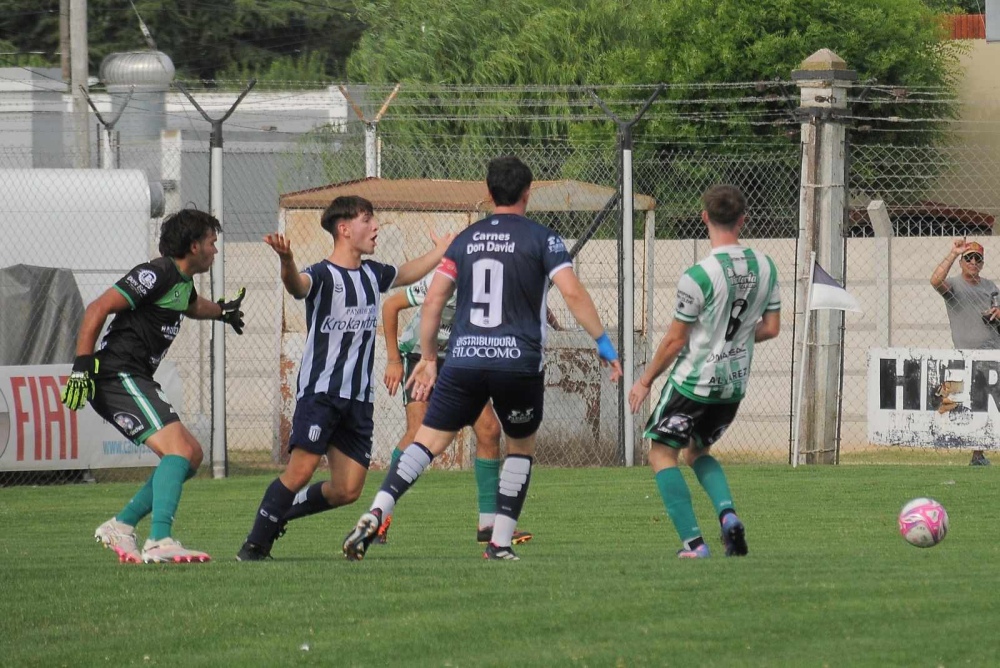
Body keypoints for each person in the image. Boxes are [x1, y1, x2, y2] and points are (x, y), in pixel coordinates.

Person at [343, 155, 623, 562]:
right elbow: (573, 293)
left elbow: (435, 299)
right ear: (529, 193)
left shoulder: (464, 240)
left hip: (464, 361)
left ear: (489, 194)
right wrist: (604, 345)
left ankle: (378, 510)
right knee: (520, 447)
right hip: (517, 363)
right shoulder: (544, 239)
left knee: (428, 442)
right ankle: (499, 543)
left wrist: (428, 358)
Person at [236, 195, 454, 561]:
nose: (375, 227)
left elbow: (407, 272)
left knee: (348, 489)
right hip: (321, 393)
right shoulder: (322, 275)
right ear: (344, 228)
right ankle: (254, 546)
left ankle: (278, 514)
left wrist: (443, 252)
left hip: (358, 399)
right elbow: (296, 286)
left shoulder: (372, 274)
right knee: (301, 471)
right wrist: (287, 261)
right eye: (367, 220)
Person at [61, 208, 246, 564]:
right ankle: (160, 539)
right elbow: (98, 308)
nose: (216, 250)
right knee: (178, 452)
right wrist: (82, 367)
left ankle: (123, 524)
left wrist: (221, 312)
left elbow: (192, 306)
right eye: (212, 242)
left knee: (191, 454)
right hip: (117, 375)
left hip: (134, 377)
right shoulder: (157, 272)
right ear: (194, 246)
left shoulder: (181, 282)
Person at [627, 185, 780, 559]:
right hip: (732, 387)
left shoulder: (698, 275)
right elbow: (772, 328)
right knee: (698, 452)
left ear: (705, 218)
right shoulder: (766, 266)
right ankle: (728, 516)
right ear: (743, 219)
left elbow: (675, 341)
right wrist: (737, 342)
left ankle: (694, 544)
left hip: (693, 384)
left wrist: (645, 380)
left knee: (662, 454)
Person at [378, 272, 539, 546]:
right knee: (418, 431)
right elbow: (391, 305)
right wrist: (393, 360)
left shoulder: (500, 283)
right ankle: (380, 515)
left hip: (458, 360)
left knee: (489, 430)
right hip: (419, 355)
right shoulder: (449, 276)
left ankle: (488, 524)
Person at [929, 238, 1000, 466]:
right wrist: (952, 252)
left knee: (991, 404)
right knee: (974, 404)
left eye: (977, 258)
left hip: (993, 350)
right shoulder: (954, 285)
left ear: (982, 262)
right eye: (968, 257)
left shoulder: (990, 286)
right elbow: (935, 280)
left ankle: (978, 455)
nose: (972, 261)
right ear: (961, 261)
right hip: (966, 356)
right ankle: (975, 453)